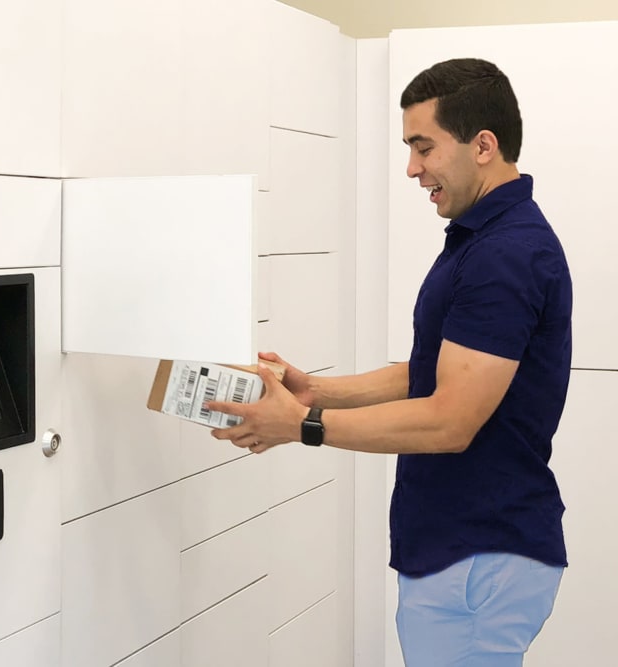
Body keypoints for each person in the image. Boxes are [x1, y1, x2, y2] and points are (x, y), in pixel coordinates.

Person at [208, 57, 572, 667]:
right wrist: (314, 392)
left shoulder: (505, 254)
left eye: (423, 147)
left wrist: (300, 427)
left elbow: (450, 420)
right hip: (464, 547)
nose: (412, 168)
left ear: (483, 145)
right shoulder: (484, 240)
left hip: (478, 553)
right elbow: (433, 372)